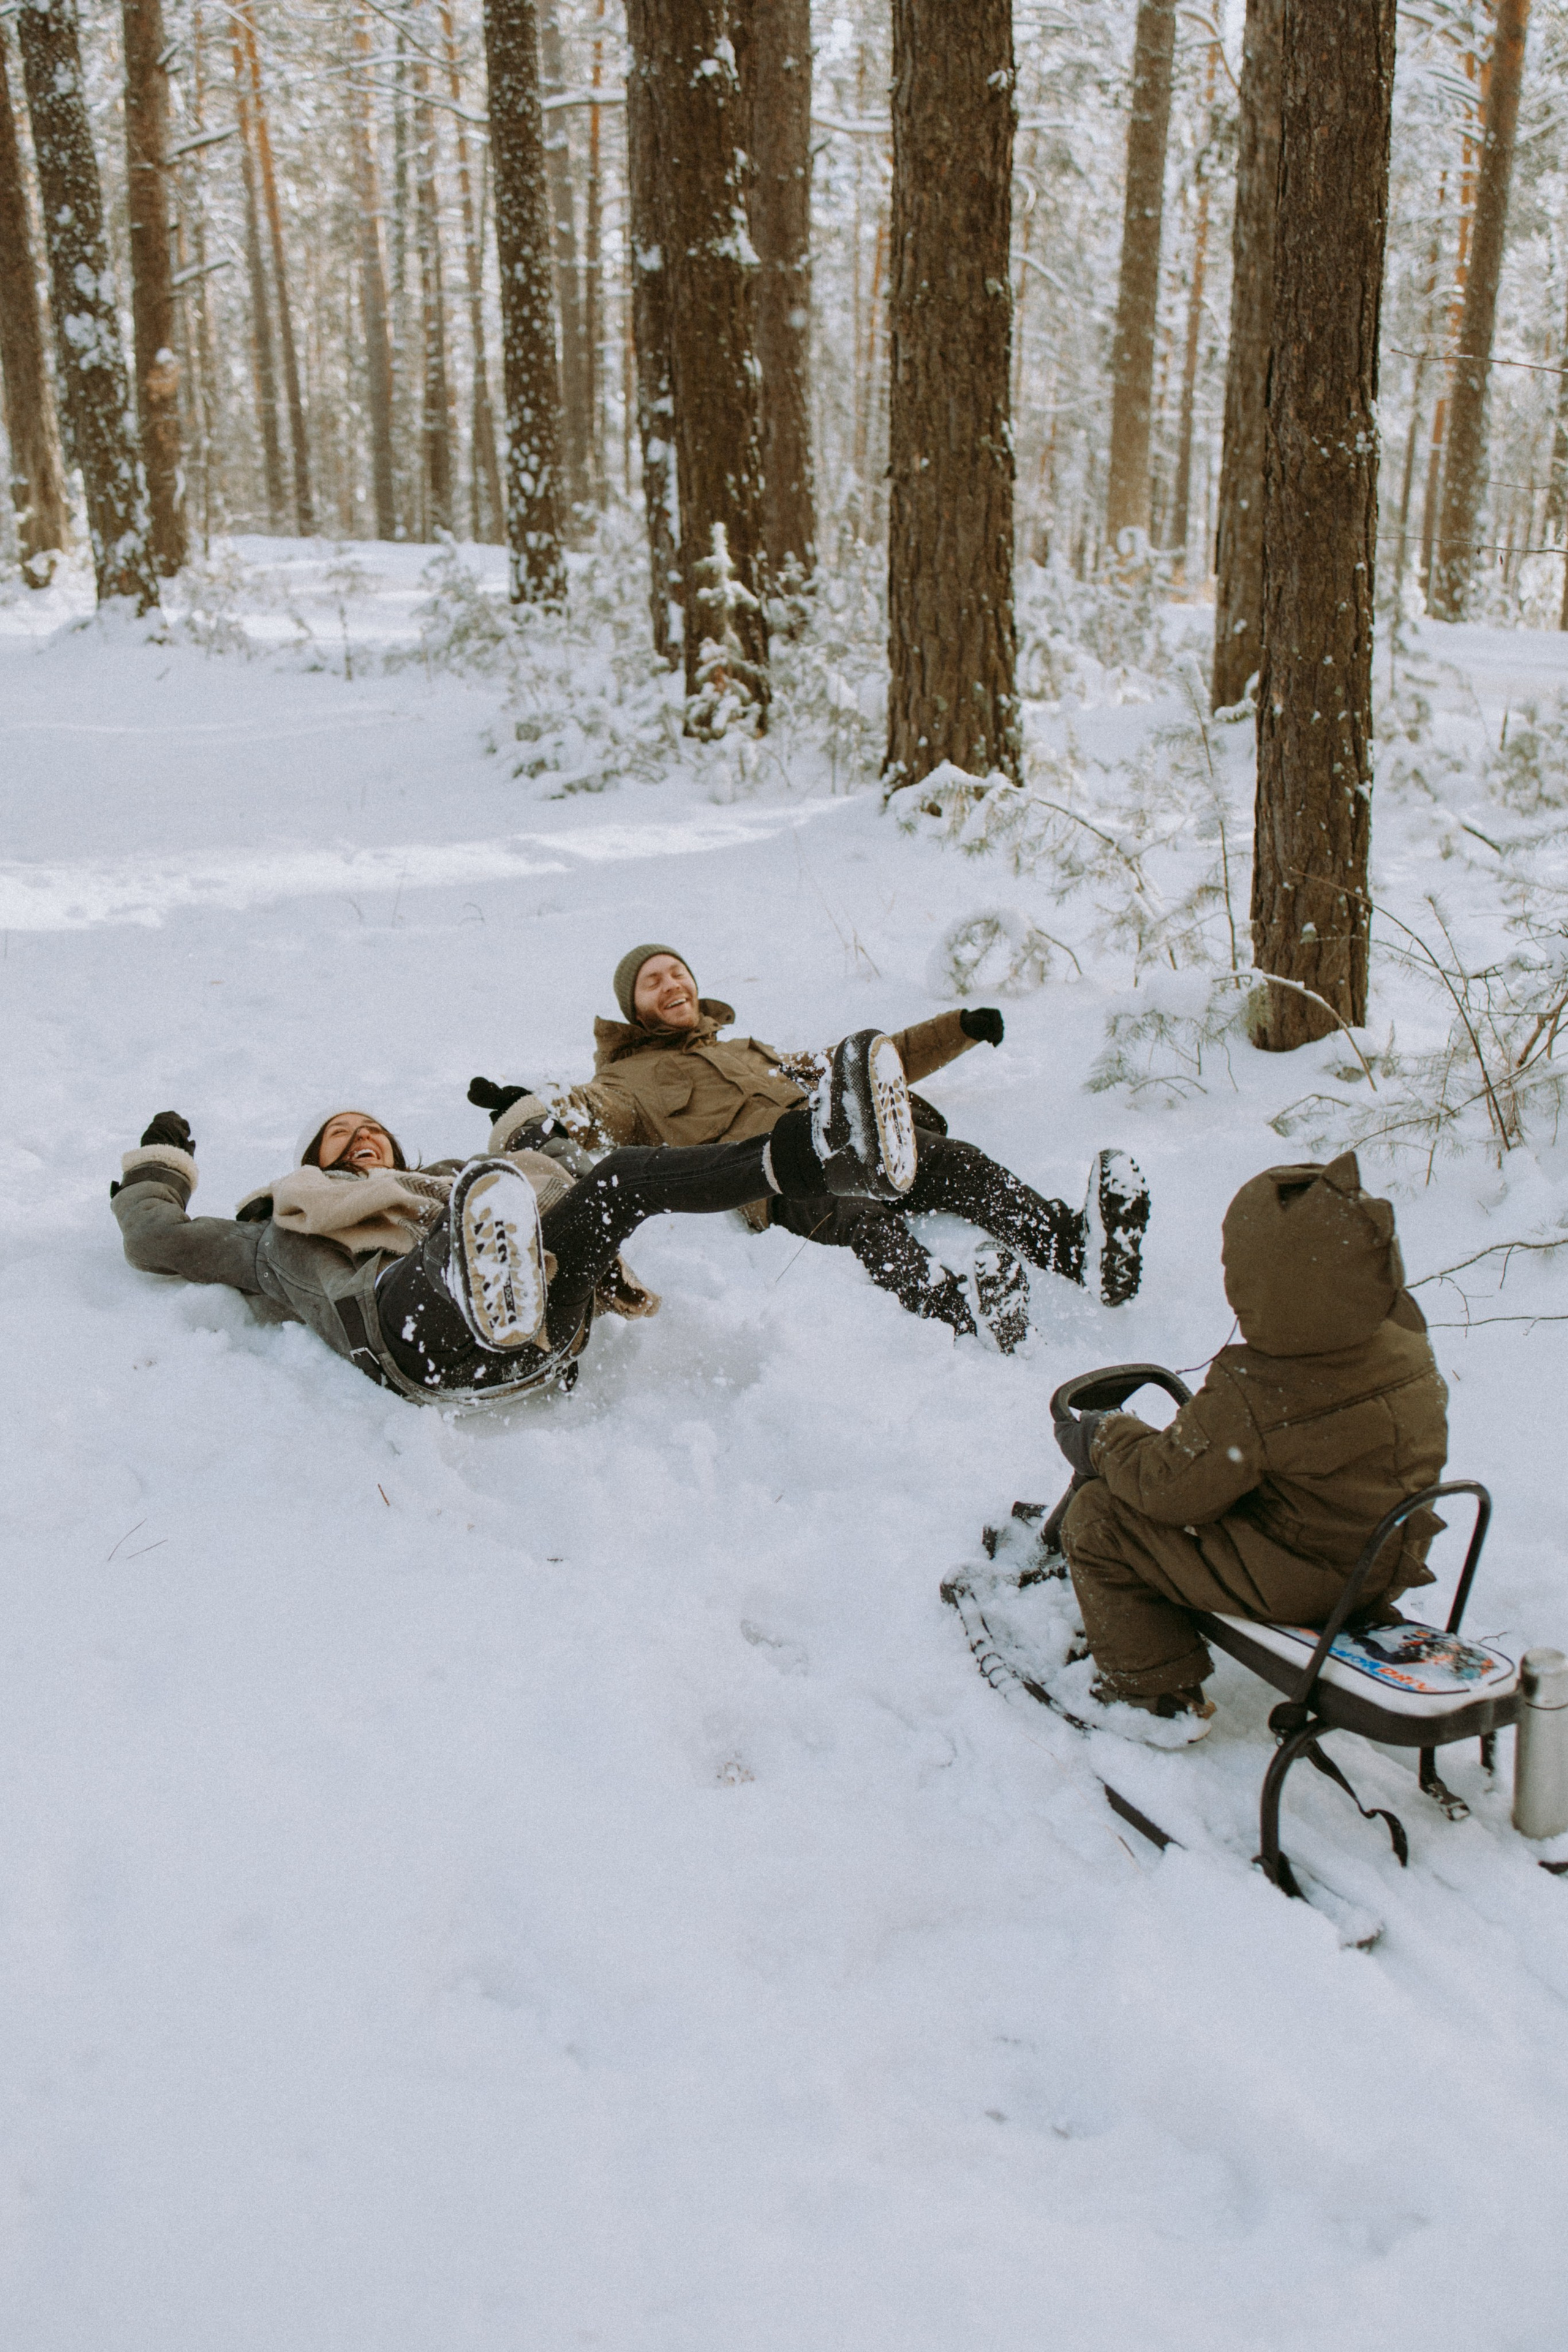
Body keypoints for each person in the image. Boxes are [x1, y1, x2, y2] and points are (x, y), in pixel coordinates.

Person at [110, 1032, 919, 1405]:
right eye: (339, 1134)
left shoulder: (468, 1185)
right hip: (412, 1336)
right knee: (458, 1239)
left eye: (372, 1129)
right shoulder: (279, 1228)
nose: (360, 1137)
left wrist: (522, 1125)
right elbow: (156, 1237)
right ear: (316, 1162)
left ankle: (823, 1156)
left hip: (539, 1333)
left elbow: (561, 1174)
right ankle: (478, 1287)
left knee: (621, 1177)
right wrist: (159, 1161)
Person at [468, 944, 1150, 1353]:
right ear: (632, 1007)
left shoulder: (747, 1050)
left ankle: (1076, 1249)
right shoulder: (624, 1080)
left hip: (849, 1142)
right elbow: (582, 1112)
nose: (673, 984)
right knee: (861, 1220)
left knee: (957, 1162)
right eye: (654, 981)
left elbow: (864, 1070)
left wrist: (958, 1029)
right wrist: (523, 1105)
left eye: (678, 972)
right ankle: (958, 1315)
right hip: (774, 1177)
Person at [1053, 1152, 1449, 1738]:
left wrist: (1107, 1437)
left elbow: (1169, 1491)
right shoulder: (1404, 1343)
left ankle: (1150, 1691)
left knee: (1100, 1520)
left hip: (1305, 1579)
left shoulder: (1263, 1385)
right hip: (1384, 1559)